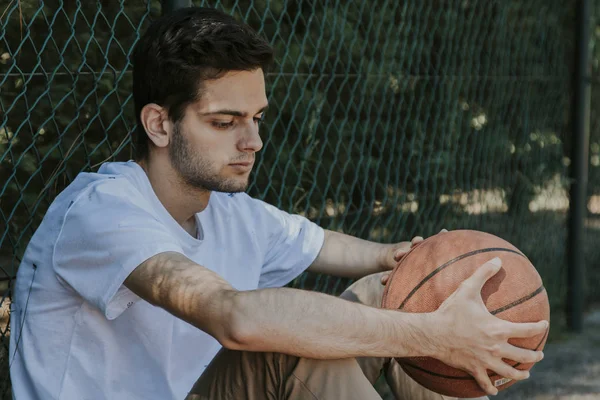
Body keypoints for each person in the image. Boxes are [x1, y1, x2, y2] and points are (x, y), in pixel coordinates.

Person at [9, 6, 547, 400]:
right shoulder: (102, 212)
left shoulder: (225, 208)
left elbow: (324, 245)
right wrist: (433, 334)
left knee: (401, 292)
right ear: (159, 123)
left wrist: (405, 260)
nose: (253, 142)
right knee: (293, 348)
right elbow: (233, 317)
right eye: (225, 123)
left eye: (256, 118)